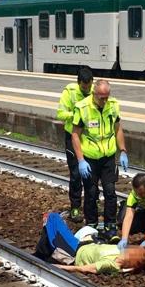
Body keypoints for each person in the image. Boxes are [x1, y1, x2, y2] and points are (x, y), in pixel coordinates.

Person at [71, 79, 128, 243]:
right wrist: (80, 159)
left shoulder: (113, 106)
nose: (104, 101)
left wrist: (123, 150)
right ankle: (92, 225)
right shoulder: (83, 108)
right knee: (91, 193)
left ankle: (110, 226)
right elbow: (75, 134)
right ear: (94, 94)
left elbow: (118, 129)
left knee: (110, 192)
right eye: (101, 97)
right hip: (89, 159)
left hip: (108, 157)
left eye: (106, 97)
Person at [34, 213, 145, 274]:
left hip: (73, 253)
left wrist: (61, 267)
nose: (128, 249)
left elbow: (84, 268)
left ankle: (44, 252)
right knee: (55, 220)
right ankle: (46, 249)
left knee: (52, 219)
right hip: (82, 244)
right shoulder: (120, 251)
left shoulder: (112, 263)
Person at [56, 66, 93, 223]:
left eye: (89, 86)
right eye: (84, 87)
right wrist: (77, 115)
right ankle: (75, 207)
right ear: (79, 83)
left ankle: (91, 207)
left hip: (89, 138)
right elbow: (60, 113)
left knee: (91, 174)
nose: (87, 90)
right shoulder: (69, 92)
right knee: (76, 174)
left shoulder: (94, 92)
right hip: (73, 137)